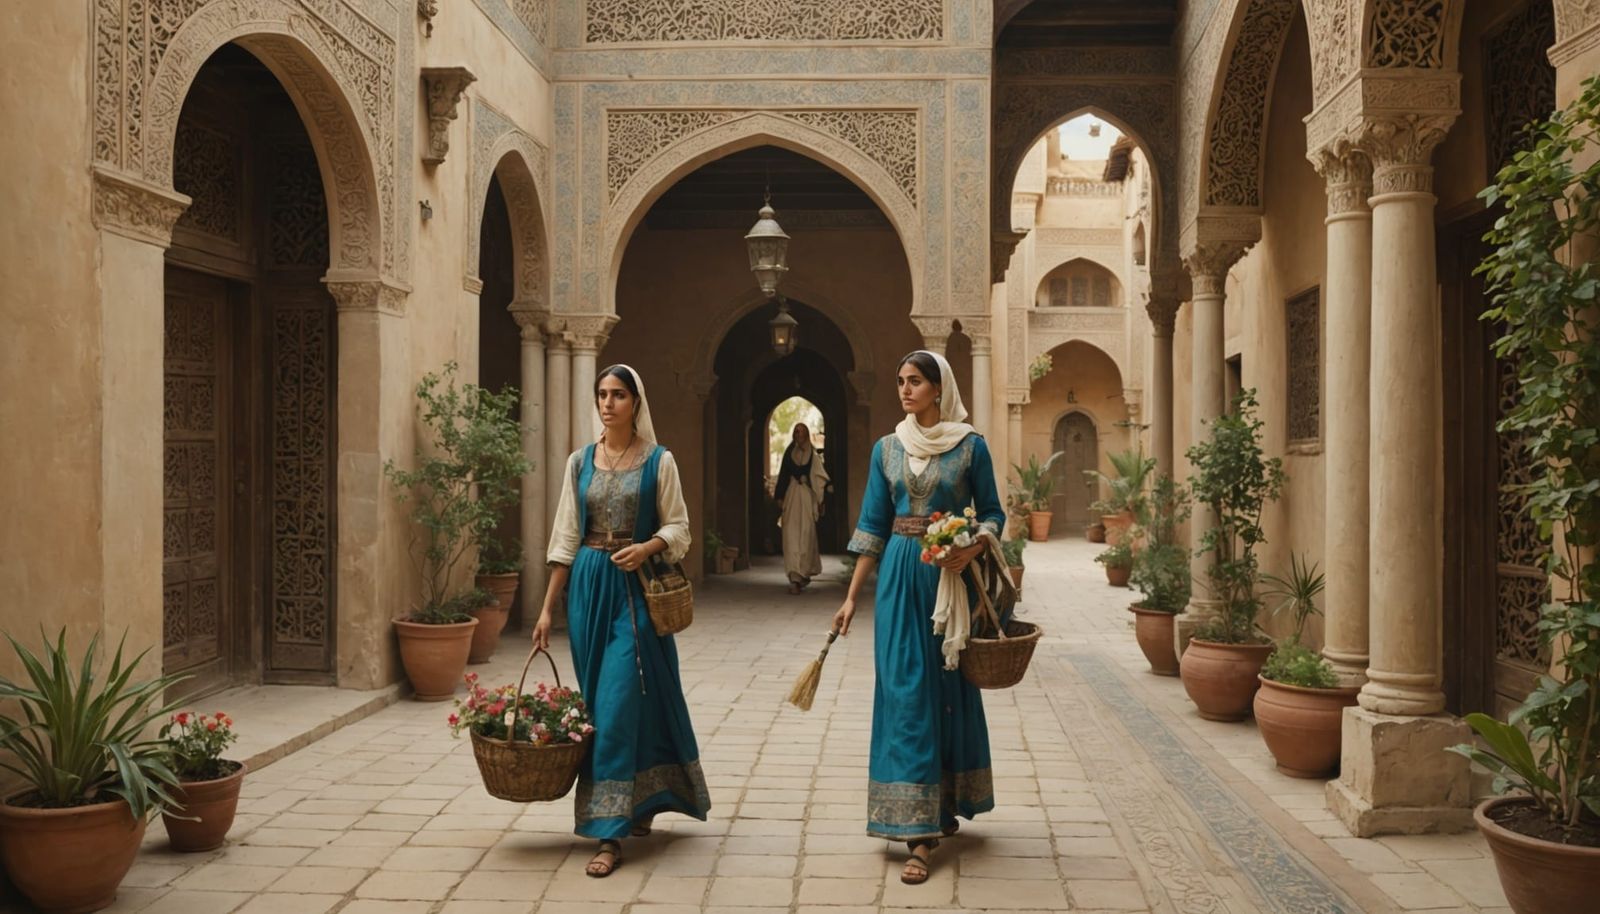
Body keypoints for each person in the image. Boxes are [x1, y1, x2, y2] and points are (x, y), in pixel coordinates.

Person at [832, 350, 1005, 886]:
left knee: (946, 694)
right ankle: (919, 832)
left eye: (916, 382)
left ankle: (940, 805)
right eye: (901, 381)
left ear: (938, 388)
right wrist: (851, 598)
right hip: (900, 584)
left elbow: (995, 513)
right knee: (905, 691)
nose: (905, 390)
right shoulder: (888, 449)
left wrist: (972, 546)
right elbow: (872, 526)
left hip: (949, 583)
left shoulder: (970, 446)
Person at [533, 364, 710, 878]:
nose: (607, 403)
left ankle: (607, 832)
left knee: (616, 701)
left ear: (636, 402)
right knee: (598, 704)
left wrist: (649, 546)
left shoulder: (660, 461)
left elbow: (679, 527)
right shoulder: (579, 462)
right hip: (588, 589)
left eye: (618, 395)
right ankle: (641, 801)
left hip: (634, 590)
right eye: (602, 395)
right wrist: (547, 608)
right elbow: (565, 536)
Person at [774, 422, 831, 594]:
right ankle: (794, 578)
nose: (798, 435)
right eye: (796, 432)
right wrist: (780, 497)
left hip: (806, 498)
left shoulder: (812, 456)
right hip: (792, 498)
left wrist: (819, 500)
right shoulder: (789, 453)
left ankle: (803, 573)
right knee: (791, 536)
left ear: (806, 434)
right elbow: (783, 475)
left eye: (801, 432)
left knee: (805, 536)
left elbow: (819, 478)